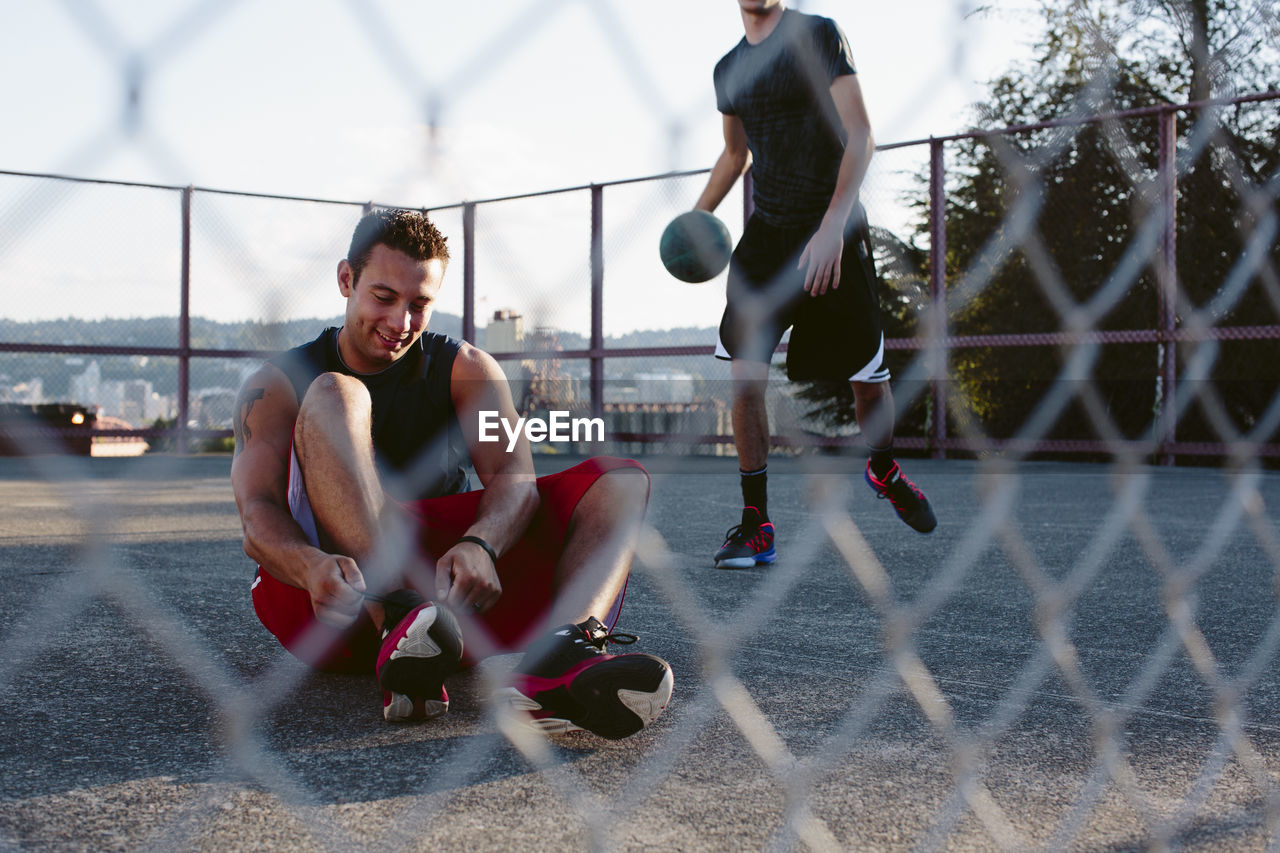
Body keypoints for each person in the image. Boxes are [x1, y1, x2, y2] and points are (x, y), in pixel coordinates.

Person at [230, 208, 672, 740]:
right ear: (347, 280)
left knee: (620, 480)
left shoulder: (467, 372)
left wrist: (482, 544)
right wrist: (307, 566)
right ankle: (398, 615)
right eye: (384, 298)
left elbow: (514, 473)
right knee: (334, 393)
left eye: (419, 305)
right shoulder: (278, 384)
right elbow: (257, 512)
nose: (401, 323)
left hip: (451, 601)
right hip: (330, 591)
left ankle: (558, 663)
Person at [693, 0, 937, 569]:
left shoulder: (819, 36)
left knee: (867, 382)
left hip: (833, 228)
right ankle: (757, 524)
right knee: (745, 381)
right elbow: (736, 154)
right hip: (768, 238)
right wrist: (696, 219)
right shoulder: (728, 69)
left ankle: (882, 467)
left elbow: (861, 135)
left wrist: (831, 228)